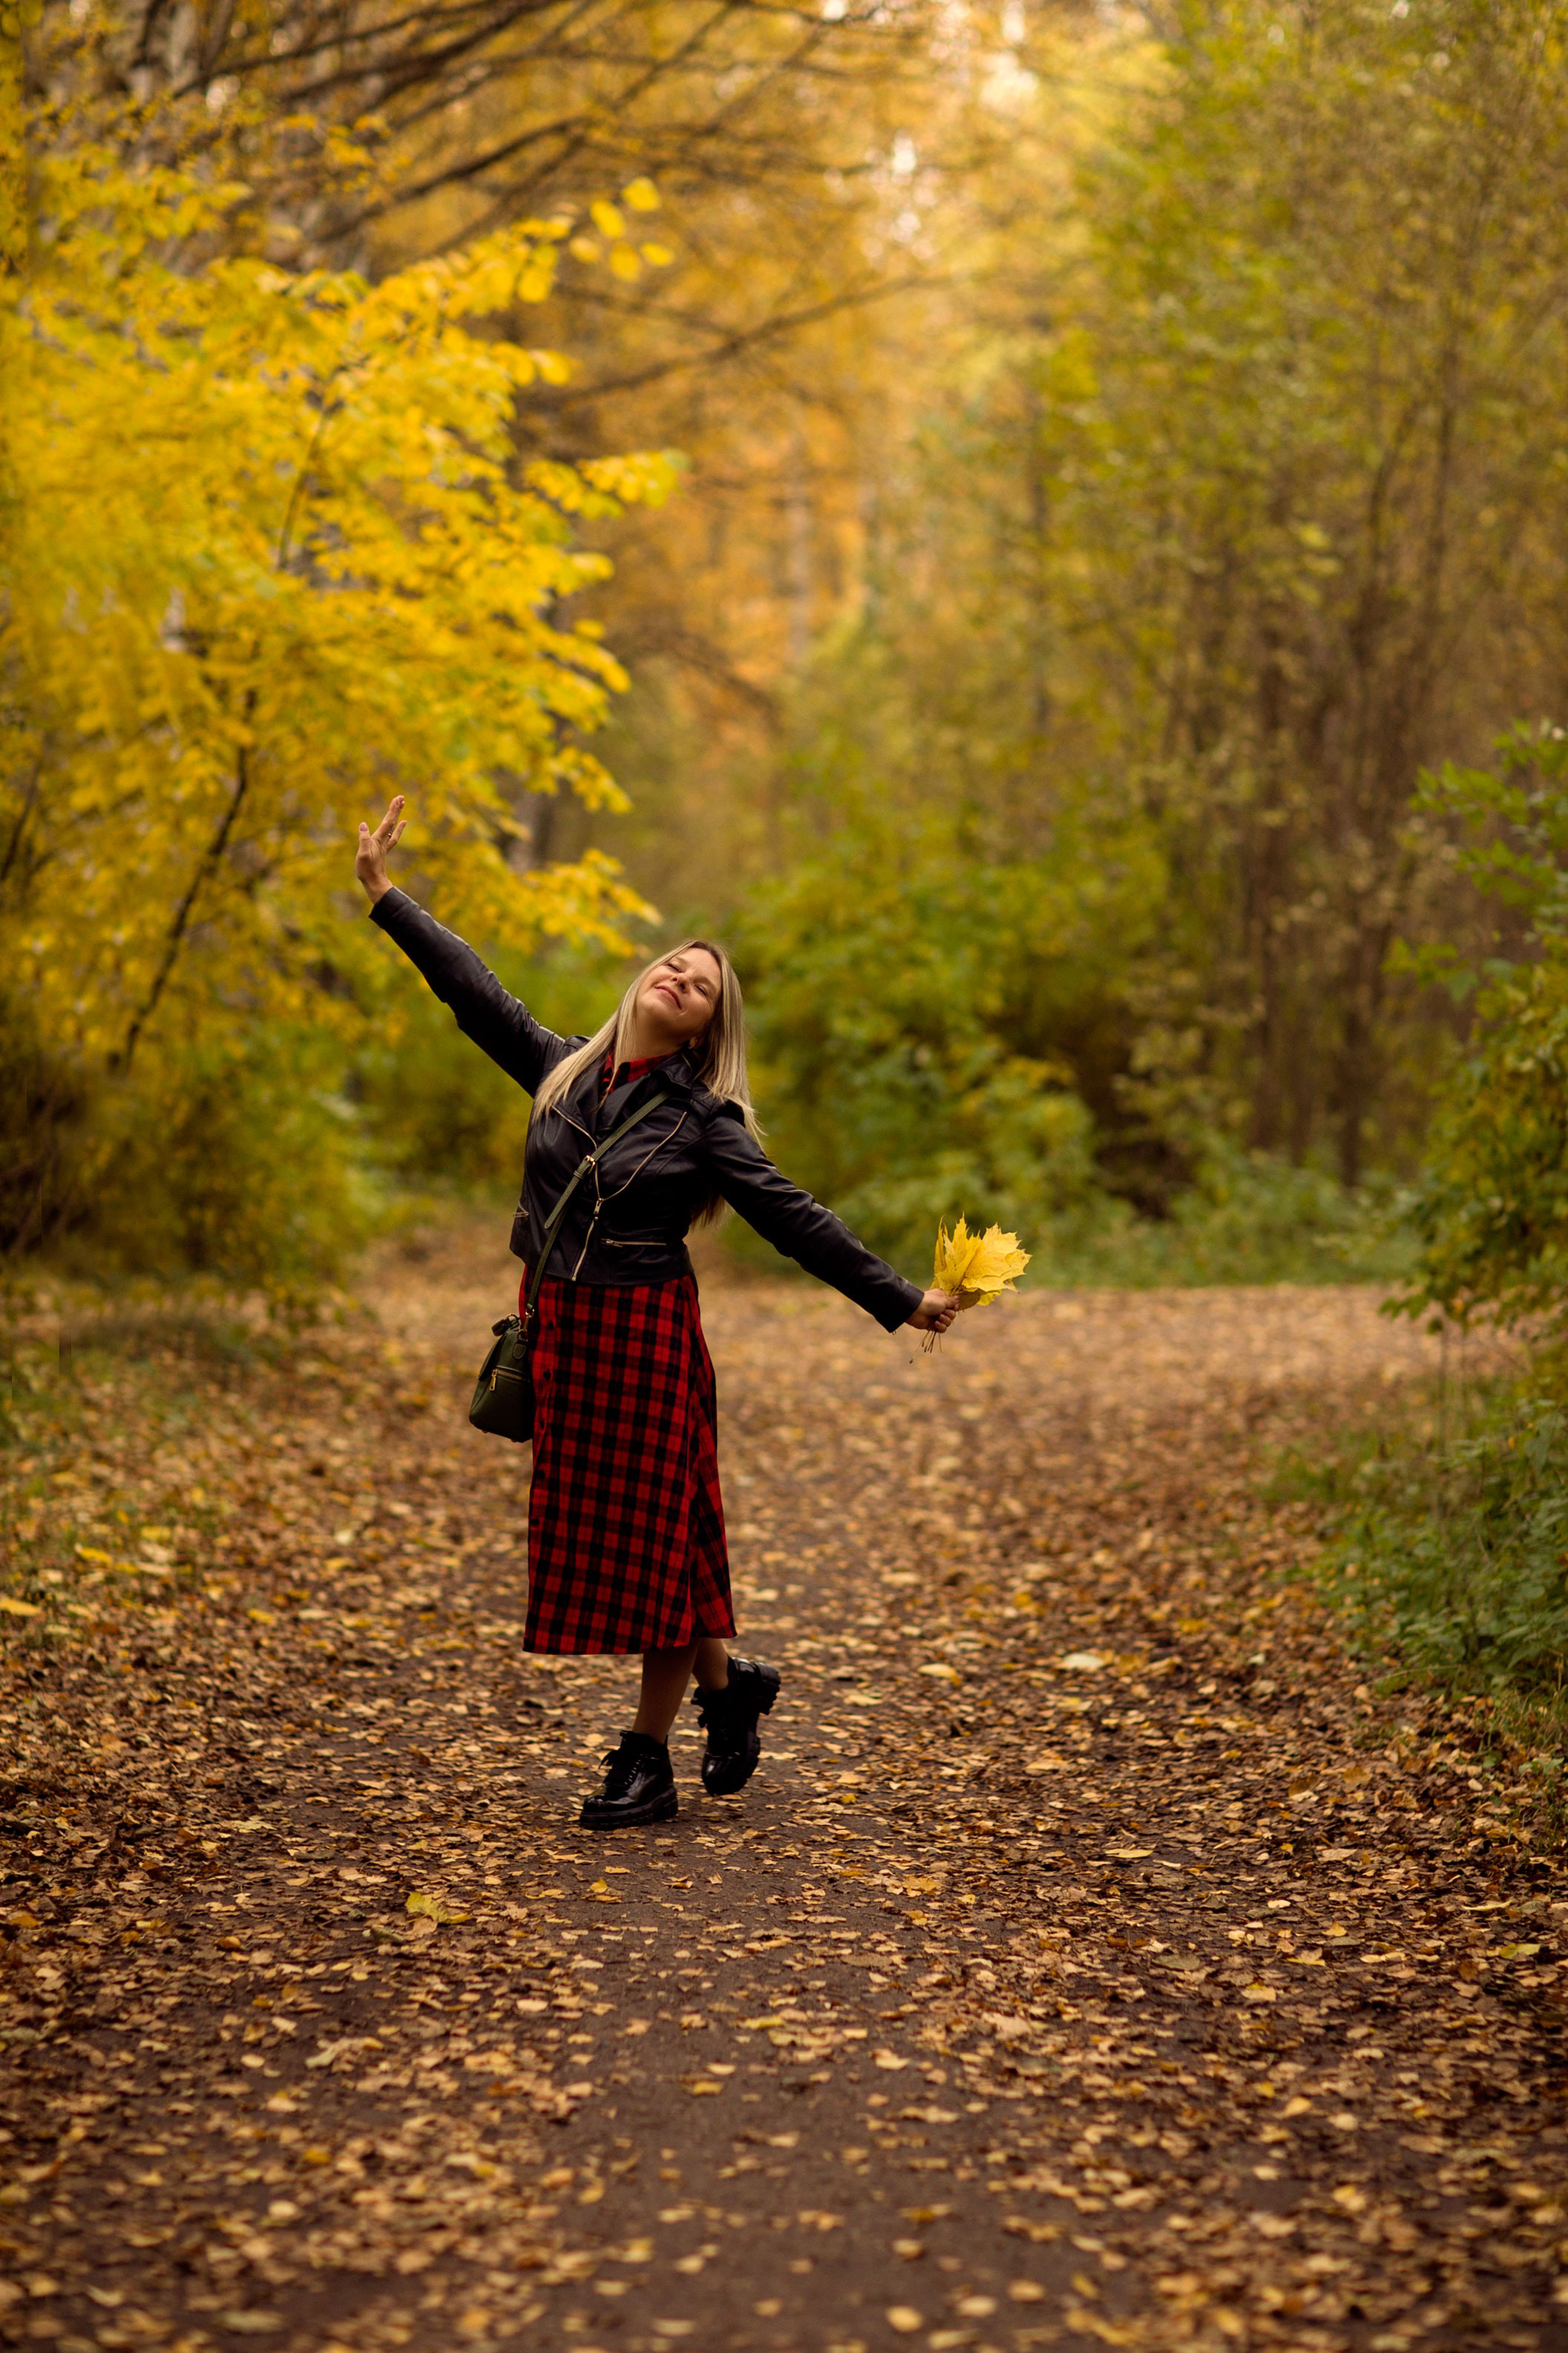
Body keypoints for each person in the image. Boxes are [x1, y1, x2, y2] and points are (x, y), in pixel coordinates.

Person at [355, 795, 959, 1827]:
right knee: (652, 1543)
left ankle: (645, 1757)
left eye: (701, 989)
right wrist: (385, 896)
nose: (679, 978)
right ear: (645, 980)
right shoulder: (561, 1072)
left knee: (655, 1551)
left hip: (643, 1339)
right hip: (561, 1334)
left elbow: (790, 1214)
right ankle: (729, 1693)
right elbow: (472, 990)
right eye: (674, 965)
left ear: (702, 1029)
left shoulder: (702, 1120)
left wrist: (903, 1299)